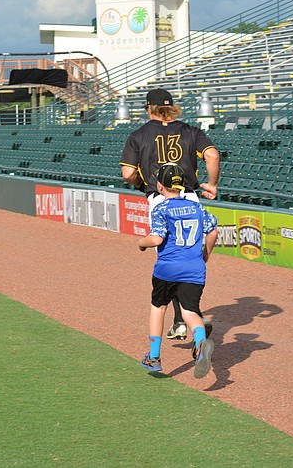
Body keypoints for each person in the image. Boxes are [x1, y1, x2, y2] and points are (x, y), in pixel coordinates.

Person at [121, 88, 220, 340]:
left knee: (169, 261)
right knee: (188, 259)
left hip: (161, 199)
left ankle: (182, 321)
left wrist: (140, 182)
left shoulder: (139, 135)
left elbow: (127, 174)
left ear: (148, 108)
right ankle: (186, 318)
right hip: (189, 198)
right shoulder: (190, 131)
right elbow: (212, 154)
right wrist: (212, 184)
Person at [137, 163, 219, 379]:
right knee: (189, 310)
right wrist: (206, 254)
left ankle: (154, 356)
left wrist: (142, 243)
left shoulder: (161, 209)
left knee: (159, 307)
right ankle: (201, 343)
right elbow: (213, 231)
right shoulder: (197, 208)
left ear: (160, 186)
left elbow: (156, 238)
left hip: (167, 269)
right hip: (194, 268)